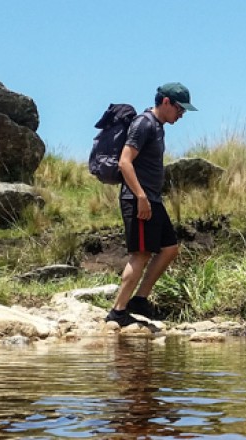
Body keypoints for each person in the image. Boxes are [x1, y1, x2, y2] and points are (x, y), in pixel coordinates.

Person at [106, 82, 197, 326]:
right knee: (141, 254)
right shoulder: (144, 123)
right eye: (180, 109)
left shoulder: (158, 126)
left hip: (152, 199)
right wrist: (141, 197)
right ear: (166, 102)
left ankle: (139, 301)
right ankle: (118, 311)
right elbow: (125, 162)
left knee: (169, 248)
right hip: (139, 200)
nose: (182, 115)